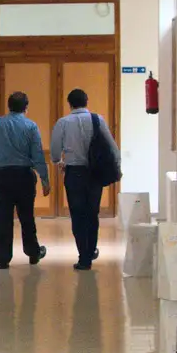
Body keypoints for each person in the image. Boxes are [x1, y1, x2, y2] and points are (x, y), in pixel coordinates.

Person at [0, 91, 51, 270]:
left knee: (3, 218)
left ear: (8, 106)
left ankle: (3, 259)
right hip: (24, 176)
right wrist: (45, 179)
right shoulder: (31, 126)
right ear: (26, 107)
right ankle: (32, 253)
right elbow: (38, 155)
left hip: (1, 177)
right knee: (27, 217)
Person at [51, 87, 120, 271]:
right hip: (94, 173)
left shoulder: (63, 123)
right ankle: (91, 250)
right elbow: (112, 147)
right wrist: (116, 167)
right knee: (92, 213)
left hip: (74, 173)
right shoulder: (98, 120)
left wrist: (59, 161)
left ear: (69, 103)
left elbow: (55, 150)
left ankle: (84, 257)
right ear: (86, 101)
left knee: (78, 214)